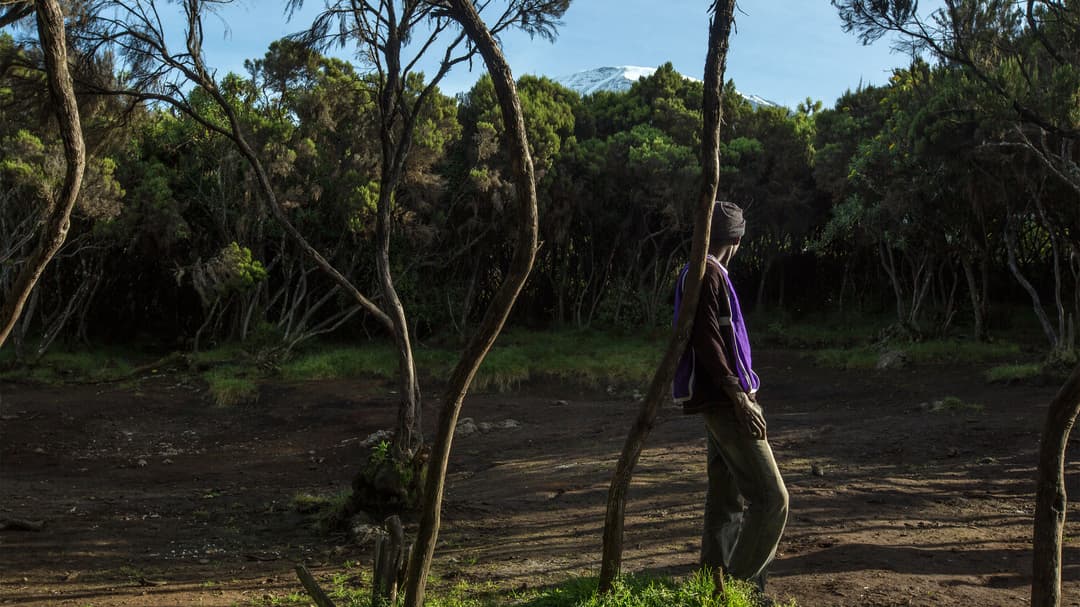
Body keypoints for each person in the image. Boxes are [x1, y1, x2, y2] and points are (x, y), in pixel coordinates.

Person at [672, 200, 788, 597]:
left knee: (725, 500)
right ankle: (738, 594)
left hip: (717, 402)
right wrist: (739, 396)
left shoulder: (703, 272)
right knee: (773, 499)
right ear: (737, 240)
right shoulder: (705, 274)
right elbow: (706, 339)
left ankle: (710, 587)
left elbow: (710, 337)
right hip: (726, 403)